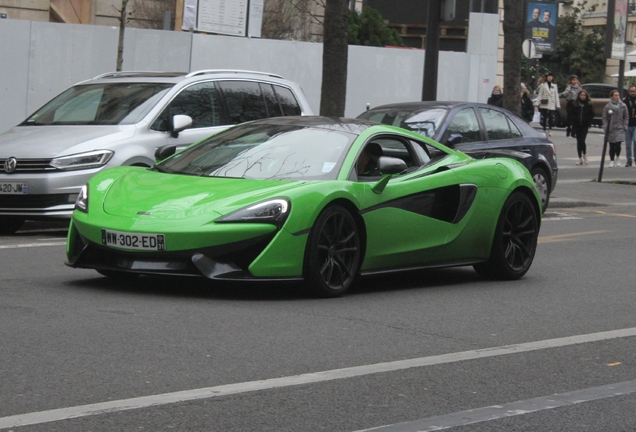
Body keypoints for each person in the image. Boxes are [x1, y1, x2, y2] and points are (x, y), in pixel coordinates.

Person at [602, 90, 629, 167]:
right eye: (615, 95)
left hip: (620, 128)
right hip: (611, 129)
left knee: (618, 144)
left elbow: (626, 117)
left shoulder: (623, 106)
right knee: (611, 145)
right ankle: (611, 160)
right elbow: (604, 118)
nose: (617, 97)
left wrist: (625, 125)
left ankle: (617, 157)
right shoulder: (608, 106)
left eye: (618, 95)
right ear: (612, 97)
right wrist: (606, 127)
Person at [569, 90, 595, 165]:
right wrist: (573, 120)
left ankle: (584, 155)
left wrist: (588, 121)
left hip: (585, 125)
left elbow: (592, 113)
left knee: (582, 140)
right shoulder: (575, 104)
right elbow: (571, 113)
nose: (583, 97)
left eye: (584, 95)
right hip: (577, 125)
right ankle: (579, 158)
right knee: (578, 141)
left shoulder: (588, 104)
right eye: (581, 95)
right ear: (579, 96)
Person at [534, 72, 560, 136]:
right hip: (544, 101)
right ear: (546, 77)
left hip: (552, 102)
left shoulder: (554, 85)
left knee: (551, 116)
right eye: (548, 77)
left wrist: (557, 104)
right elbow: (540, 94)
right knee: (544, 116)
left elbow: (556, 95)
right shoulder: (543, 85)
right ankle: (544, 129)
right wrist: (537, 103)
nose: (550, 78)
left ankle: (550, 129)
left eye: (551, 77)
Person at [622, 84, 636, 167]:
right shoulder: (625, 101)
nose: (633, 93)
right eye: (631, 91)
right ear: (628, 92)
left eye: (634, 91)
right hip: (628, 124)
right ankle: (629, 159)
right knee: (628, 144)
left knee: (635, 141)